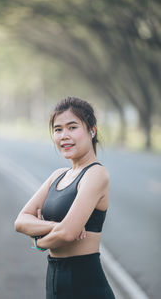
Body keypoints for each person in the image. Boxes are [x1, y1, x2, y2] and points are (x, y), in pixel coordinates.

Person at [15, 97, 115, 299]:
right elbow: (20, 221)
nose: (64, 136)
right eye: (58, 129)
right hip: (54, 283)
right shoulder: (57, 176)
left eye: (72, 127)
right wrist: (56, 227)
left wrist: (39, 242)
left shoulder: (96, 174)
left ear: (92, 130)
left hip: (86, 285)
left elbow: (68, 234)